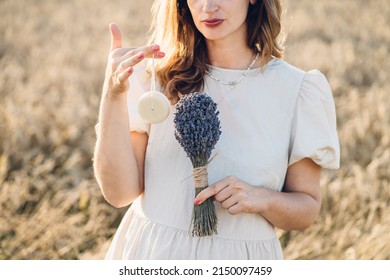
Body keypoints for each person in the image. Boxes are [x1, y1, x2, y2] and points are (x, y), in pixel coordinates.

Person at [93, 0, 340, 259]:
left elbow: (307, 209)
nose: (208, 6)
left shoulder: (297, 90)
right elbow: (119, 193)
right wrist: (112, 95)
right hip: (153, 253)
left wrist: (261, 198)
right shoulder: (154, 80)